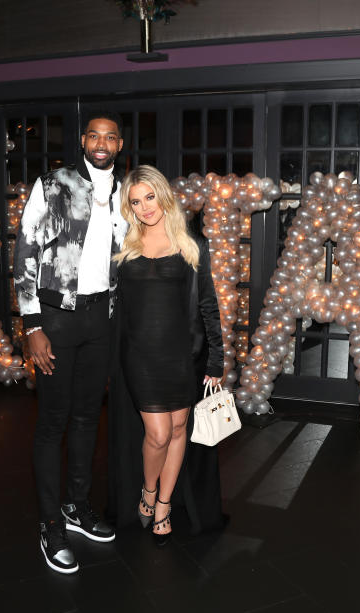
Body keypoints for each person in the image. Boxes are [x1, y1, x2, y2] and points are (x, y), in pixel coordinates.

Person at [12, 110, 128, 574]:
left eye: (110, 137)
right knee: (53, 422)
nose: (101, 143)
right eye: (94, 135)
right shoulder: (53, 183)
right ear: (83, 140)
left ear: (119, 145)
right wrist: (32, 325)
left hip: (101, 318)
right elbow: (24, 251)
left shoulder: (126, 192)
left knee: (86, 418)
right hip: (55, 319)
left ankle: (76, 508)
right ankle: (48, 525)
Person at [107, 165, 226, 545]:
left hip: (182, 356)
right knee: (157, 434)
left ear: (163, 195)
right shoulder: (123, 245)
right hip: (140, 356)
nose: (144, 207)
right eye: (135, 201)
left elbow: (208, 304)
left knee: (179, 430)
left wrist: (217, 359)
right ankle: (146, 489)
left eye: (149, 197)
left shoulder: (192, 244)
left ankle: (163, 504)